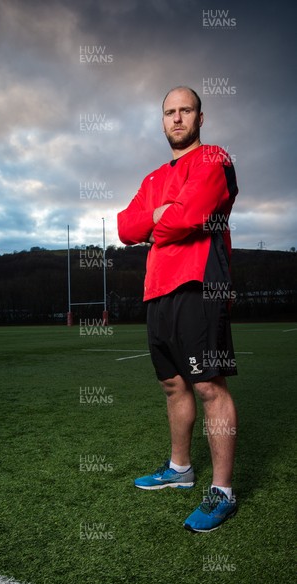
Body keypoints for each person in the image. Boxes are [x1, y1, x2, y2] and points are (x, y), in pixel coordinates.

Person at [117, 86, 238, 532]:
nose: (177, 118)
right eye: (170, 112)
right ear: (162, 120)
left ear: (200, 118)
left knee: (208, 385)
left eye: (186, 110)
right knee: (172, 384)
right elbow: (125, 227)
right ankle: (181, 469)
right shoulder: (152, 179)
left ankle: (222, 492)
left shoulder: (214, 160)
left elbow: (192, 216)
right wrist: (157, 214)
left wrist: (159, 219)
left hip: (200, 283)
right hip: (157, 290)